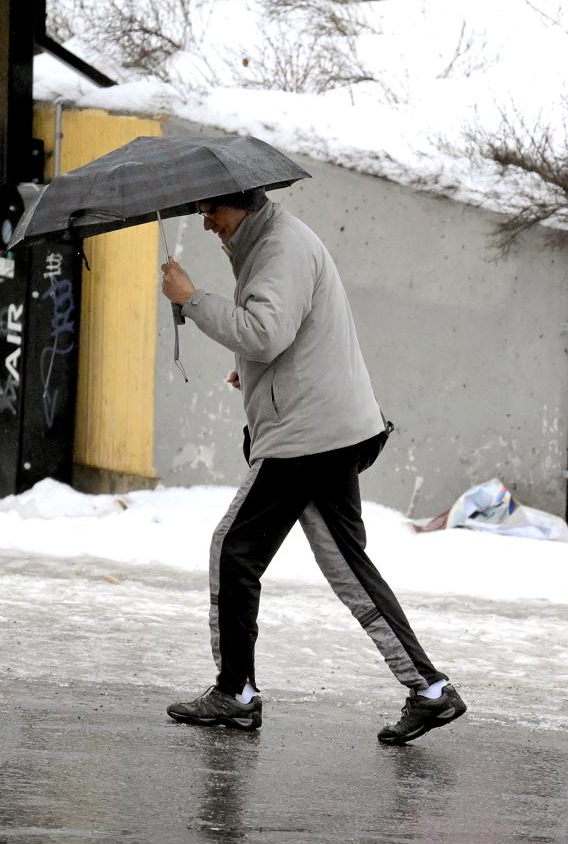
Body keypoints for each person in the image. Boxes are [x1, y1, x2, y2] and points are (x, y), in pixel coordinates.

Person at [159, 189, 465, 744]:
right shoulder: (269, 244)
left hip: (308, 436)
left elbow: (265, 332)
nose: (206, 224)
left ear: (245, 203)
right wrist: (250, 374)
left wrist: (192, 298)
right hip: (328, 428)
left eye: (213, 212)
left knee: (234, 549)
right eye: (200, 212)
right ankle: (429, 689)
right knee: (347, 566)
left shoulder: (280, 247)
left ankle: (235, 692)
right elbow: (282, 336)